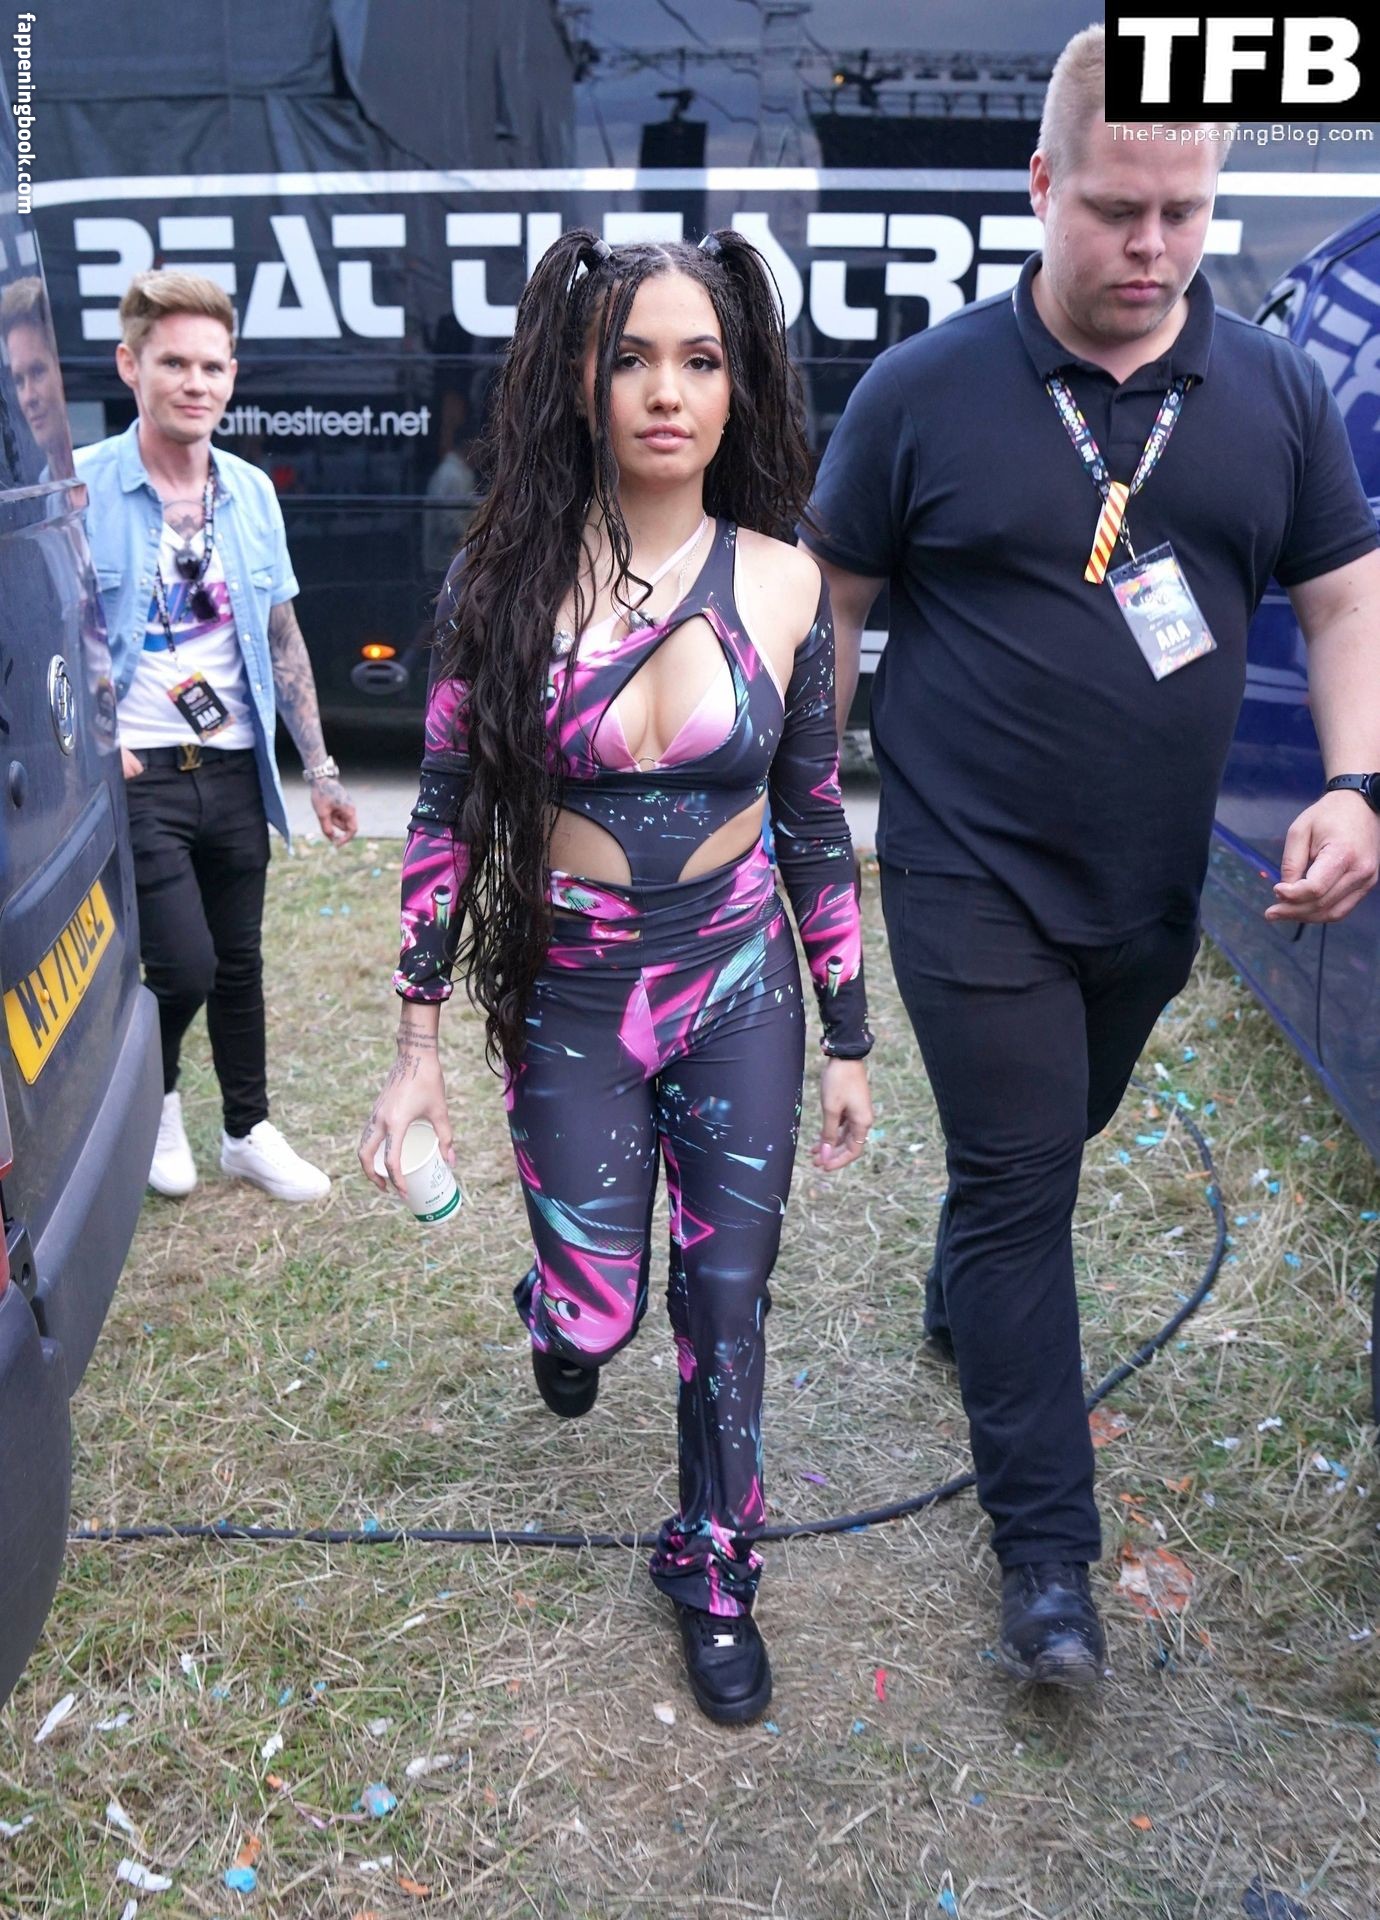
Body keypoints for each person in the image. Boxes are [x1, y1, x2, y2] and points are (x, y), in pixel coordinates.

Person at [802, 26, 1380, 1690]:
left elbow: (1346, 595)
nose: (1153, 247)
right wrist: (796, 801)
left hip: (1150, 888)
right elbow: (831, 601)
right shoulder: (923, 393)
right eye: (1118, 209)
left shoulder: (1271, 394)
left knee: (1059, 1125)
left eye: (1184, 213)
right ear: (1041, 185)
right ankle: (1048, 1564)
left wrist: (1358, 781)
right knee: (1022, 1186)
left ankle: (963, 1282)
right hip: (963, 866)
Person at [359, 230, 874, 1725]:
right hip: (574, 996)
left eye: (699, 360)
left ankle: (714, 1567)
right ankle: (561, 1314)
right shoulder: (502, 580)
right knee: (599, 1317)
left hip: (737, 988)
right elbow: (445, 809)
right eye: (632, 358)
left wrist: (846, 1035)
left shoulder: (785, 581)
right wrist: (417, 1045)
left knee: (728, 1299)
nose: (665, 391)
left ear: (738, 384)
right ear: (578, 384)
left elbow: (814, 818)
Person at [77, 271, 358, 1202]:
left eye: (212, 366)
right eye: (174, 363)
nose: (195, 383)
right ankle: (155, 1105)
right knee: (184, 962)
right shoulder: (82, 487)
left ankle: (247, 1131)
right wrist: (93, 740)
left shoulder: (250, 492)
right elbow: (45, 634)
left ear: (232, 374)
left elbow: (281, 635)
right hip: (138, 770)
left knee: (238, 962)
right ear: (131, 366)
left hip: (236, 764)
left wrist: (320, 767)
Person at [0, 275, 73, 473]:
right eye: (19, 381)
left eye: (38, 372)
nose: (28, 397)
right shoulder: (42, 486)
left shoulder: (106, 476)